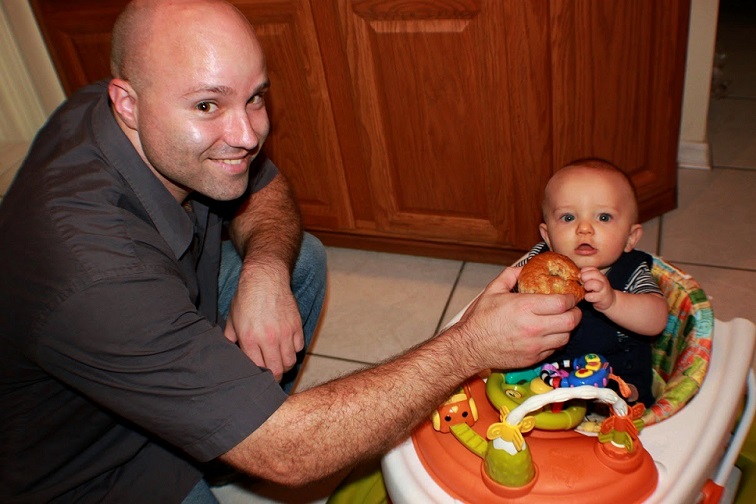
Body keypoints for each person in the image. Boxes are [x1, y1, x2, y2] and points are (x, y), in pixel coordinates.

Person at [0, 1, 581, 502]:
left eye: (254, 98)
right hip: (94, 472)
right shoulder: (95, 273)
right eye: (208, 106)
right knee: (274, 446)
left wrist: (264, 270)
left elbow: (265, 186)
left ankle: (224, 436)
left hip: (150, 338)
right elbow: (293, 457)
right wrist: (469, 347)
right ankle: (237, 435)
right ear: (127, 103)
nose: (248, 134)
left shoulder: (120, 109)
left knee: (298, 260)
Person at [515, 159, 669, 407]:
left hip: (617, 387)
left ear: (630, 238)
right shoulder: (538, 265)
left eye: (604, 217)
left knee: (627, 403)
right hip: (549, 382)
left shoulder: (632, 270)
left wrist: (613, 301)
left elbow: (657, 320)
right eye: (568, 217)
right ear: (548, 237)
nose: (584, 228)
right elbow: (506, 301)